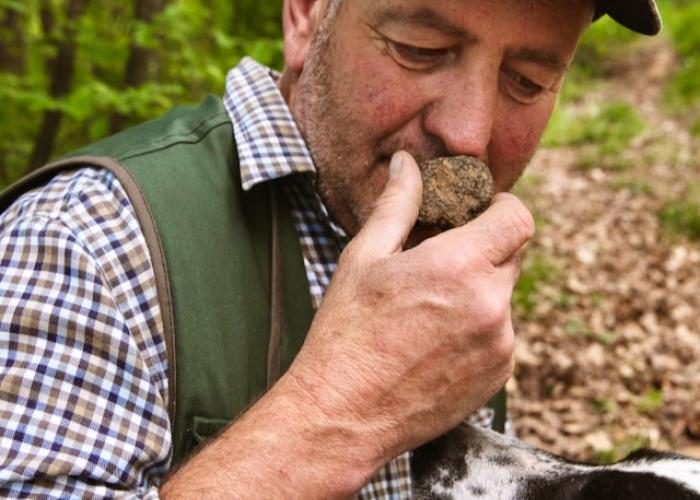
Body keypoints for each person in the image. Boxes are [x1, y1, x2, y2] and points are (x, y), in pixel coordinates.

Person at [0, 0, 661, 498]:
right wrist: (339, 409)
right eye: (420, 48)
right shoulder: (82, 247)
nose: (467, 134)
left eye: (525, 81)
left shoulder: (454, 261)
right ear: (306, 15)